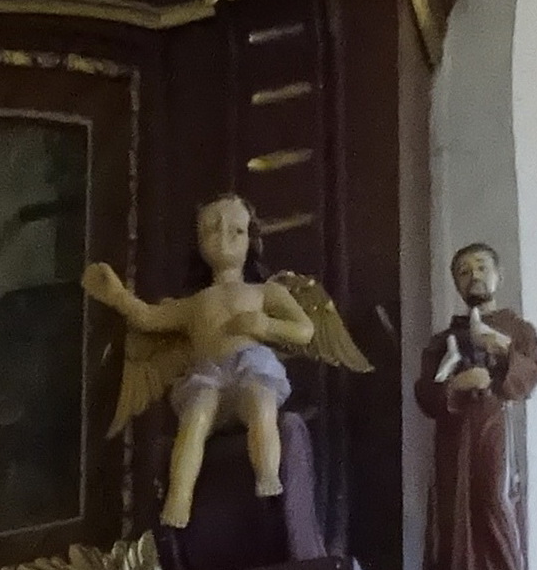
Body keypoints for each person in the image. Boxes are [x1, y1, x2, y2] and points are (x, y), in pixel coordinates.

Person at [84, 191, 368, 535]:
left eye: (236, 230)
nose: (223, 237)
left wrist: (265, 325)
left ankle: (269, 479)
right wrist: (117, 296)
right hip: (209, 375)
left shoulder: (266, 293)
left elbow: (305, 330)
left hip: (251, 367)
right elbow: (148, 318)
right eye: (211, 230)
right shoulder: (195, 303)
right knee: (195, 418)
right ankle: (179, 499)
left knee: (261, 404)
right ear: (199, 242)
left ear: (251, 239)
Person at [415, 240, 537, 570]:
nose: (474, 276)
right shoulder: (443, 341)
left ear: (497, 275)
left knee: (495, 495)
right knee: (453, 504)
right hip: (455, 435)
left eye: (481, 268)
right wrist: (457, 384)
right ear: (456, 283)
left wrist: (501, 347)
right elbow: (426, 393)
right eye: (464, 271)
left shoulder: (517, 330)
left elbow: (529, 375)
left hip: (496, 424)